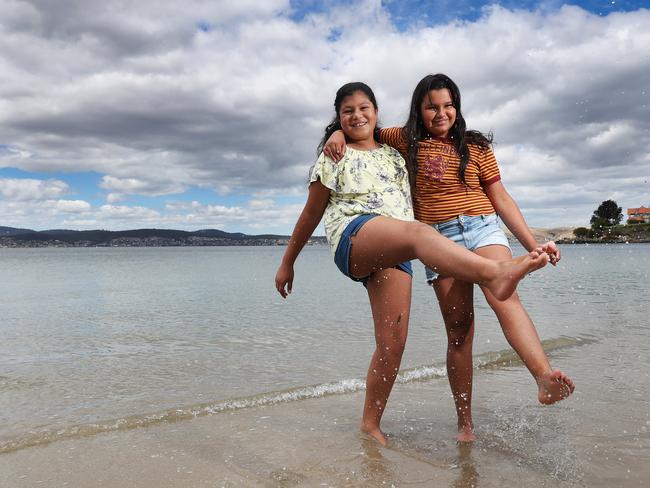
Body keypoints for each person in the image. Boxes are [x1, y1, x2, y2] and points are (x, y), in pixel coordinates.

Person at [275, 81, 550, 446]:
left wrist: (531, 244)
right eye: (347, 112)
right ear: (337, 117)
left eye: (364, 109)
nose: (357, 116)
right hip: (358, 234)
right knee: (422, 236)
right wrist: (287, 262)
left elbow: (484, 187)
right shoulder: (339, 154)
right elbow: (311, 212)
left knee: (393, 343)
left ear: (376, 112)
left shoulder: (396, 150)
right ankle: (496, 274)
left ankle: (370, 426)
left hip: (400, 248)